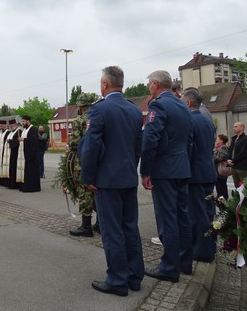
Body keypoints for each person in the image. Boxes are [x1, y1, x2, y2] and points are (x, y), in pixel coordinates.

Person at [81, 66, 144, 297]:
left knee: (112, 231)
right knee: (130, 228)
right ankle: (135, 277)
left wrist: (88, 176)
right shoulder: (135, 110)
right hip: (127, 177)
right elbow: (138, 145)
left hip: (106, 181)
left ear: (105, 84)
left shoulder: (100, 109)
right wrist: (130, 167)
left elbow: (92, 146)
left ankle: (117, 280)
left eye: (100, 82)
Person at [140, 70, 193, 283]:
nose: (148, 88)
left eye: (148, 85)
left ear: (155, 84)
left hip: (164, 169)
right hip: (181, 167)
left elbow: (151, 138)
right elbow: (189, 139)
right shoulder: (182, 104)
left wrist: (146, 170)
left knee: (167, 218)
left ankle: (169, 267)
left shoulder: (158, 105)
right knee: (182, 216)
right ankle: (184, 263)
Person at [181, 89, 217, 263]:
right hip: (208, 171)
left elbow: (189, 149)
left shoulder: (190, 121)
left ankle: (202, 250)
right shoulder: (206, 120)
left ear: (188, 103)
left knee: (197, 214)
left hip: (195, 174)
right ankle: (211, 245)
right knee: (209, 212)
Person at [57, 92, 98, 237]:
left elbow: (75, 143)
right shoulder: (98, 117)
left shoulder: (80, 120)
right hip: (99, 162)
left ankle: (86, 226)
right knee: (96, 192)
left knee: (84, 192)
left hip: (82, 162)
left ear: (81, 106)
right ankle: (99, 223)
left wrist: (70, 145)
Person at [17, 115, 41, 192]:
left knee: (31, 171)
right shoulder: (24, 130)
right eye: (22, 121)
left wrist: (23, 139)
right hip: (25, 154)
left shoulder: (32, 129)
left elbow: (33, 141)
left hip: (31, 156)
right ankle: (26, 186)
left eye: (24, 121)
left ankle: (32, 187)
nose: (23, 123)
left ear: (28, 121)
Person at [226, 122, 247, 187]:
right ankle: (238, 197)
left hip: (243, 168)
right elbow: (230, 150)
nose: (233, 128)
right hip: (234, 167)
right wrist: (228, 159)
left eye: (236, 126)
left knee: (246, 187)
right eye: (233, 127)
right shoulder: (234, 139)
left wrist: (233, 161)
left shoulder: (246, 139)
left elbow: (243, 153)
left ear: (242, 128)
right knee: (237, 187)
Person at [3, 119, 22, 189]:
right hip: (9, 153)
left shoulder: (19, 131)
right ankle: (10, 183)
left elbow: (17, 142)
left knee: (14, 168)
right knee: (10, 168)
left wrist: (9, 141)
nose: (11, 127)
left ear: (16, 125)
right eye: (10, 125)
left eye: (12, 125)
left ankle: (14, 184)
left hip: (15, 153)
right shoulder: (11, 132)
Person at [213, 134, 230, 200]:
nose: (216, 141)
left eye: (217, 140)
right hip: (218, 171)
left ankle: (224, 201)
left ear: (221, 141)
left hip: (221, 171)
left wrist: (211, 159)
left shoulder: (223, 148)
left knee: (221, 186)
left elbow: (218, 158)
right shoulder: (218, 148)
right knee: (219, 186)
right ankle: (222, 200)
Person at [0, 120, 10, 187]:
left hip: (5, 153)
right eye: (0, 125)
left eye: (2, 125)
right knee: (0, 166)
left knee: (4, 167)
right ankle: (0, 180)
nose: (0, 126)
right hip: (0, 152)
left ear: (5, 125)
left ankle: (5, 181)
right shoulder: (0, 133)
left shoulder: (8, 133)